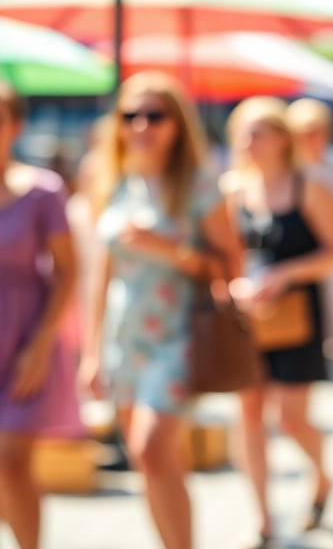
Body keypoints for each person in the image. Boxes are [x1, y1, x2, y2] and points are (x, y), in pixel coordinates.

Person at [82, 72, 243, 549]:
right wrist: (90, 353)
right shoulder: (111, 179)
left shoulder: (198, 186)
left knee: (151, 448)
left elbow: (230, 266)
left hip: (178, 335)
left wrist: (170, 249)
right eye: (130, 115)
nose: (142, 125)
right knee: (148, 457)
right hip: (123, 337)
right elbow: (100, 274)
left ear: (178, 123)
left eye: (155, 115)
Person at [223, 98, 333, 545]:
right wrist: (234, 285)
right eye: (242, 131)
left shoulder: (306, 187)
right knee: (249, 415)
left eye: (257, 131)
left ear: (281, 139)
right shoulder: (232, 190)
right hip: (247, 316)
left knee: (291, 418)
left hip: (296, 316)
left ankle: (321, 476)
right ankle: (262, 518)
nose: (246, 141)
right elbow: (225, 256)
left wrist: (283, 274)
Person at [0, 83, 80, 549]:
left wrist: (42, 342)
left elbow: (68, 272)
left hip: (25, 339)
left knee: (11, 462)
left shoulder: (43, 192)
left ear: (15, 126)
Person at [285, 99, 333, 352]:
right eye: (303, 132)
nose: (310, 138)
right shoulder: (288, 165)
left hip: (332, 239)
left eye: (315, 131)